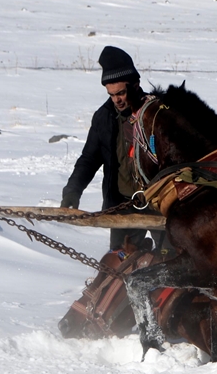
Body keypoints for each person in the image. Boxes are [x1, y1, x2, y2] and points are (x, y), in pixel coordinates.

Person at [60, 46, 155, 250]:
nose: (116, 100)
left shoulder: (156, 114)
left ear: (136, 85)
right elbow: (89, 159)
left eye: (121, 93)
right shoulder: (104, 117)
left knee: (172, 258)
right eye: (111, 94)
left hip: (158, 203)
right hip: (123, 205)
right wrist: (73, 190)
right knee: (119, 263)